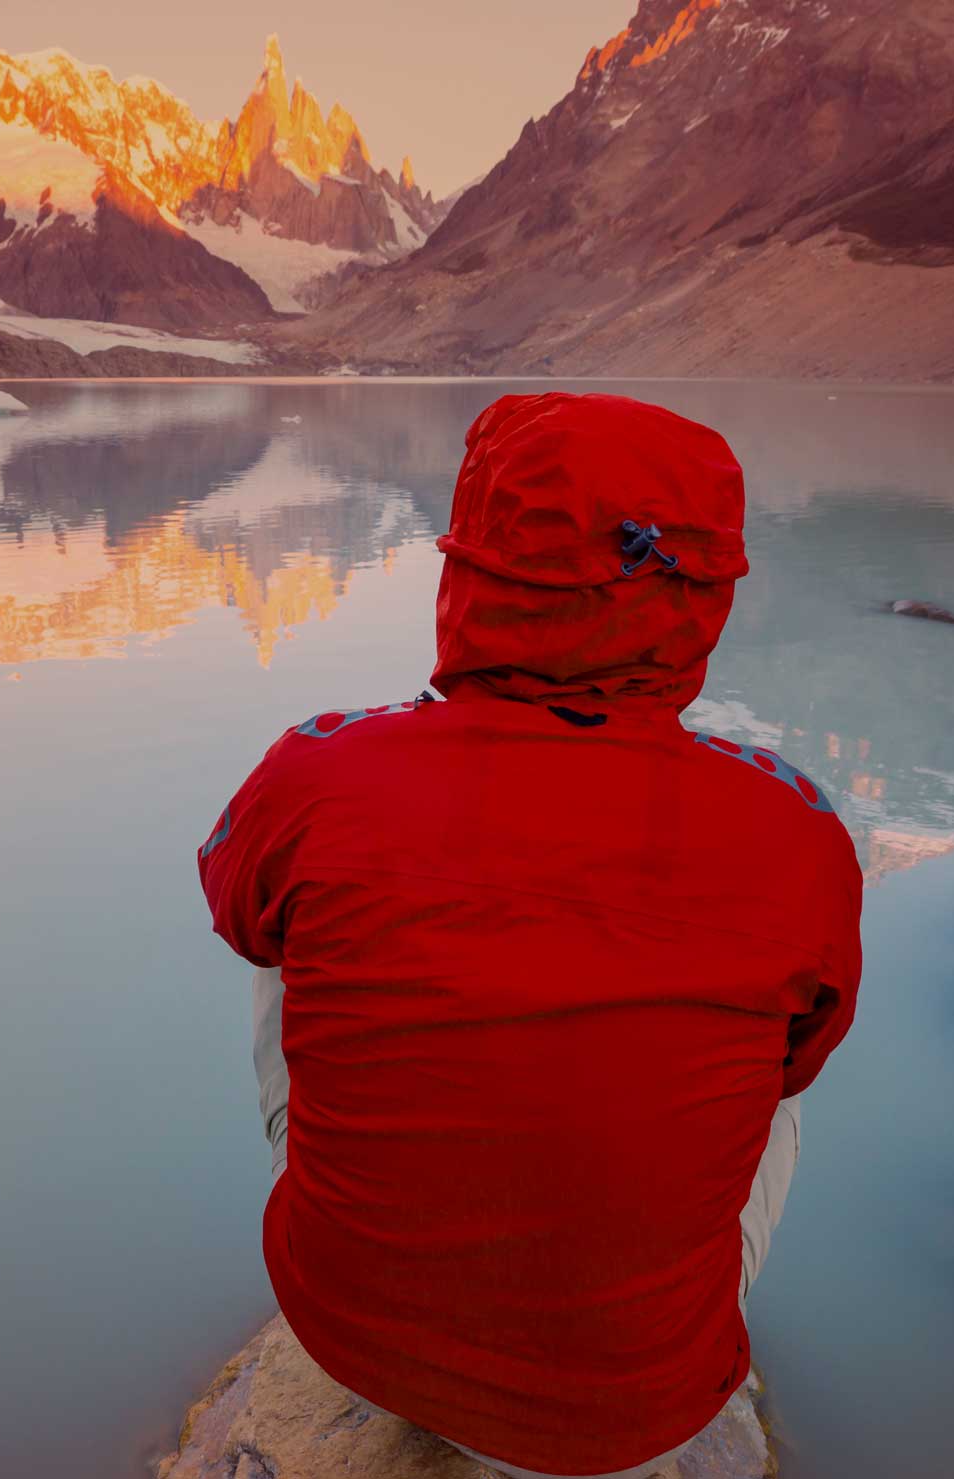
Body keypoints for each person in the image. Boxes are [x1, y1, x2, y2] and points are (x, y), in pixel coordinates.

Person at [194, 392, 863, 1478]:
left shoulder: (317, 776)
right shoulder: (796, 831)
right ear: (703, 590)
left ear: (470, 563)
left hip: (351, 1338)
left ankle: (393, 1258)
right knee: (774, 1060)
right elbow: (801, 1059)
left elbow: (232, 911)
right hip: (623, 1427)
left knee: (278, 924)